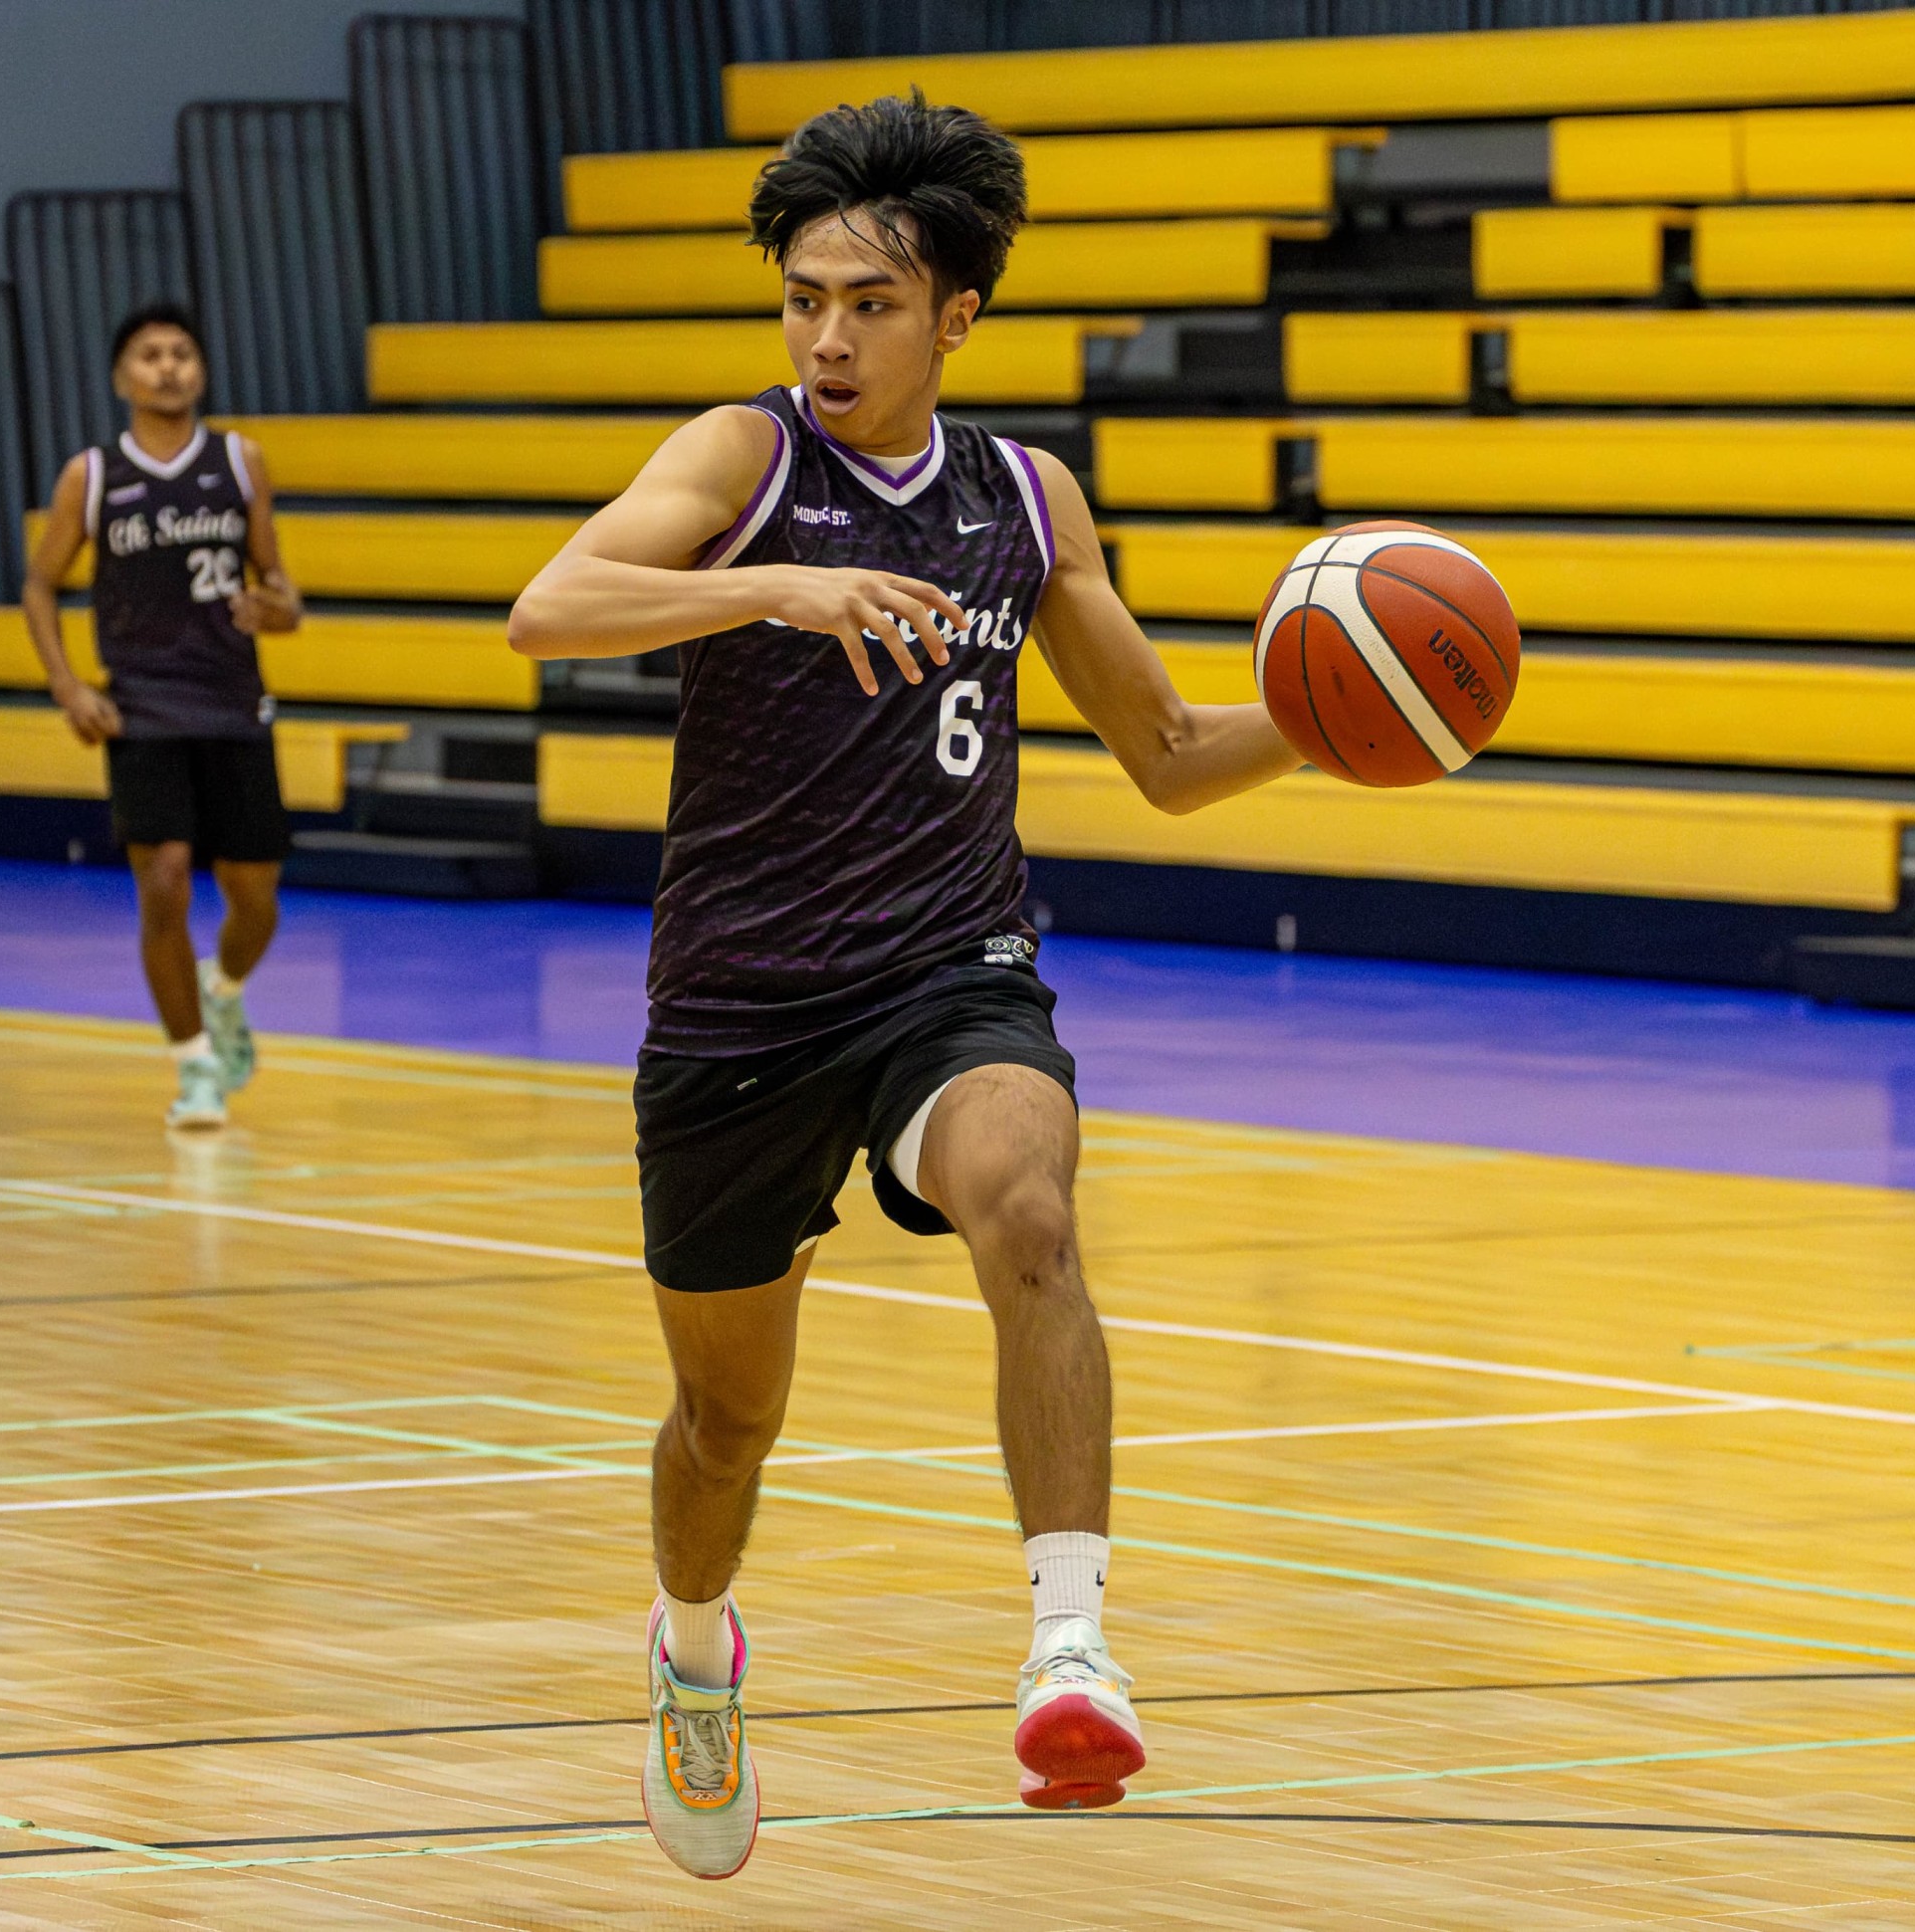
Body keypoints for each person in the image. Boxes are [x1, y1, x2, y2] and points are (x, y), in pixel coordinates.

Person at [506, 95, 1306, 1875]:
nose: (826, 336)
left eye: (868, 302)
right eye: (803, 299)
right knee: (727, 1421)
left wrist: (1338, 729)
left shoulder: (1025, 500)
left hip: (947, 970)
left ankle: (1069, 1648)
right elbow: (549, 609)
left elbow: (1170, 752)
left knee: (1028, 1199)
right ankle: (695, 1647)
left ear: (956, 316)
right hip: (735, 1009)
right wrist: (778, 587)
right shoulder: (742, 458)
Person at [22, 302, 303, 1130]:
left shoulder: (242, 462)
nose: (169, 366)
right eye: (151, 355)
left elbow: (281, 587)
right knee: (166, 879)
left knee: (255, 898)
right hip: (142, 707)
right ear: (122, 377)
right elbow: (41, 582)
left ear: (201, 370)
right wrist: (69, 685)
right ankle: (193, 1068)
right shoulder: (94, 475)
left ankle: (223, 991)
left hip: (233, 704)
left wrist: (276, 608)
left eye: (183, 352)